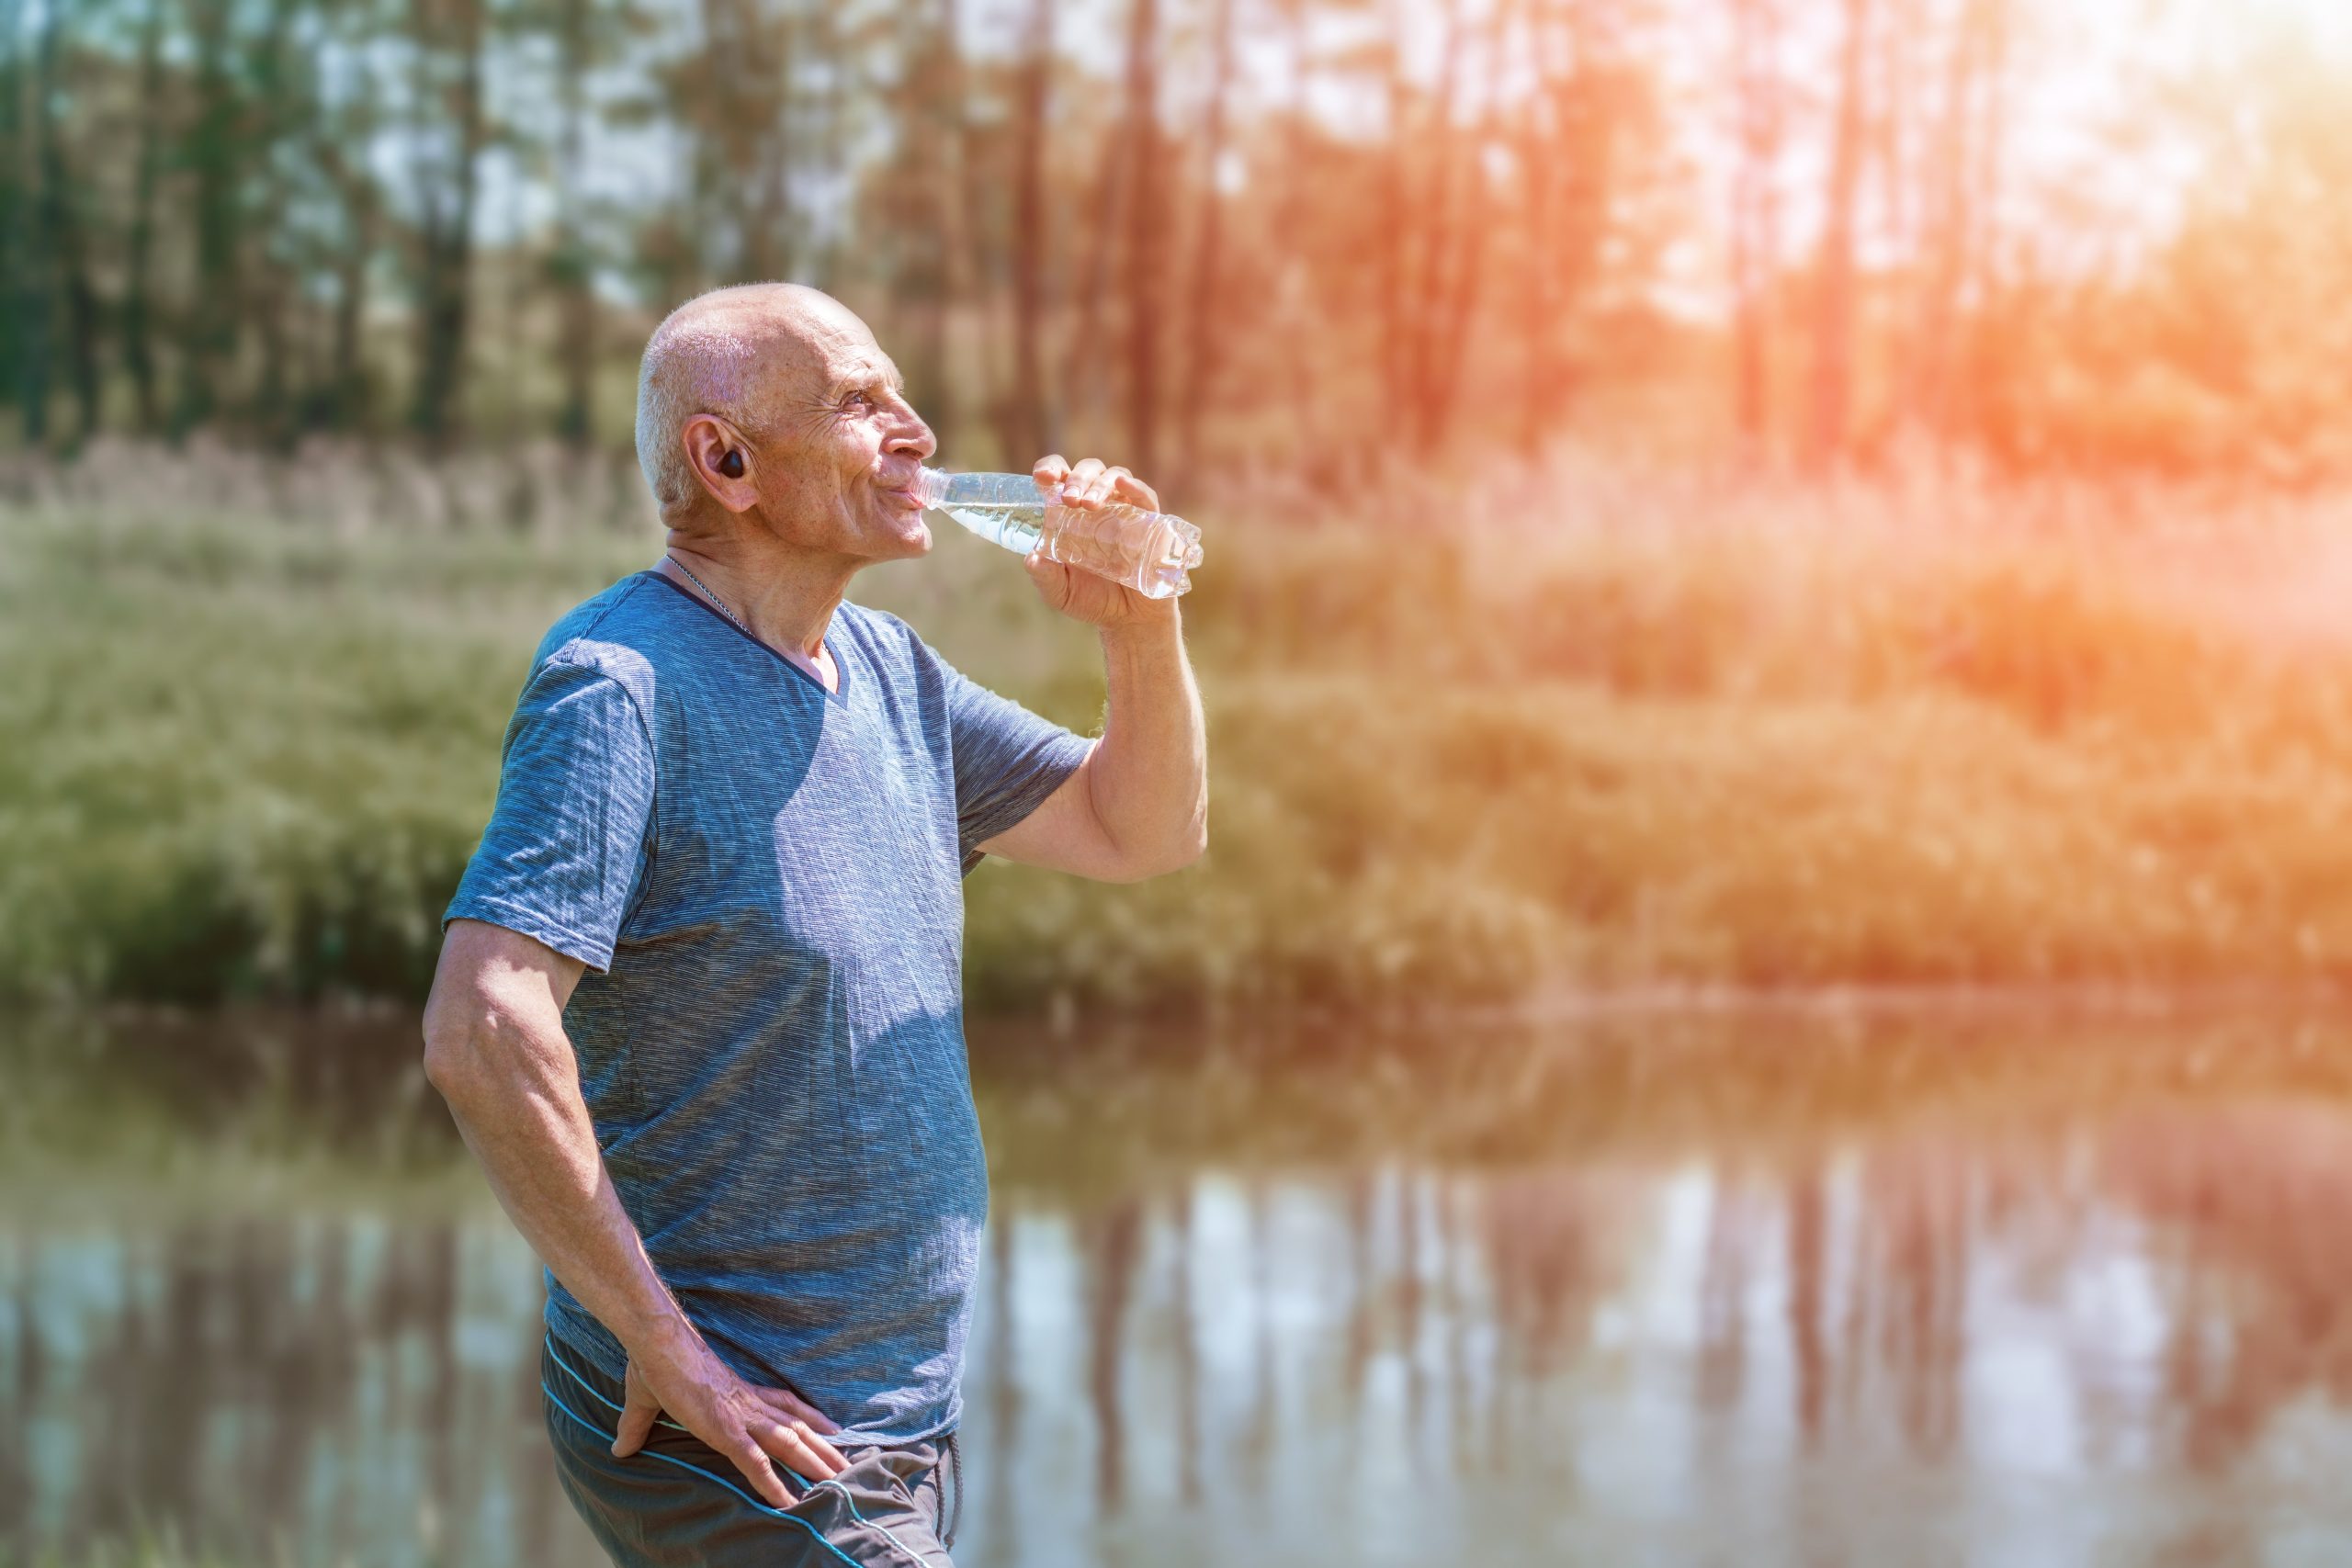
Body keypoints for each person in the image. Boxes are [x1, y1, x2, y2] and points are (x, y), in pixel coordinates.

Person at [420, 281, 1206, 1567]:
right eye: (859, 403)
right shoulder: (616, 688)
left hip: (895, 1421)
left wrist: (1143, 626)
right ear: (723, 459)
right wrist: (665, 1346)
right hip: (738, 1437)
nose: (918, 433)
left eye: (899, 393)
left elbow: (1145, 831)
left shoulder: (893, 672)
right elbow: (481, 1023)